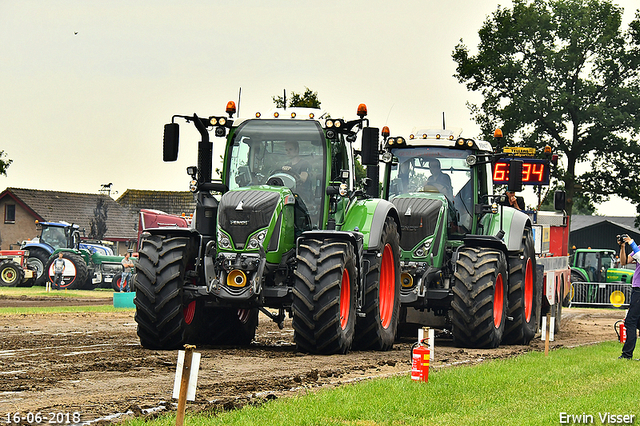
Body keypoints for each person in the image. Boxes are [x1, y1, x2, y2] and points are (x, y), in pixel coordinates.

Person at [618, 235, 640, 359]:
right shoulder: (638, 248)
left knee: (630, 322)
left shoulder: (637, 248)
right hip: (637, 289)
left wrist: (631, 242)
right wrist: (622, 247)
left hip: (639, 291)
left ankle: (627, 355)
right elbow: (624, 261)